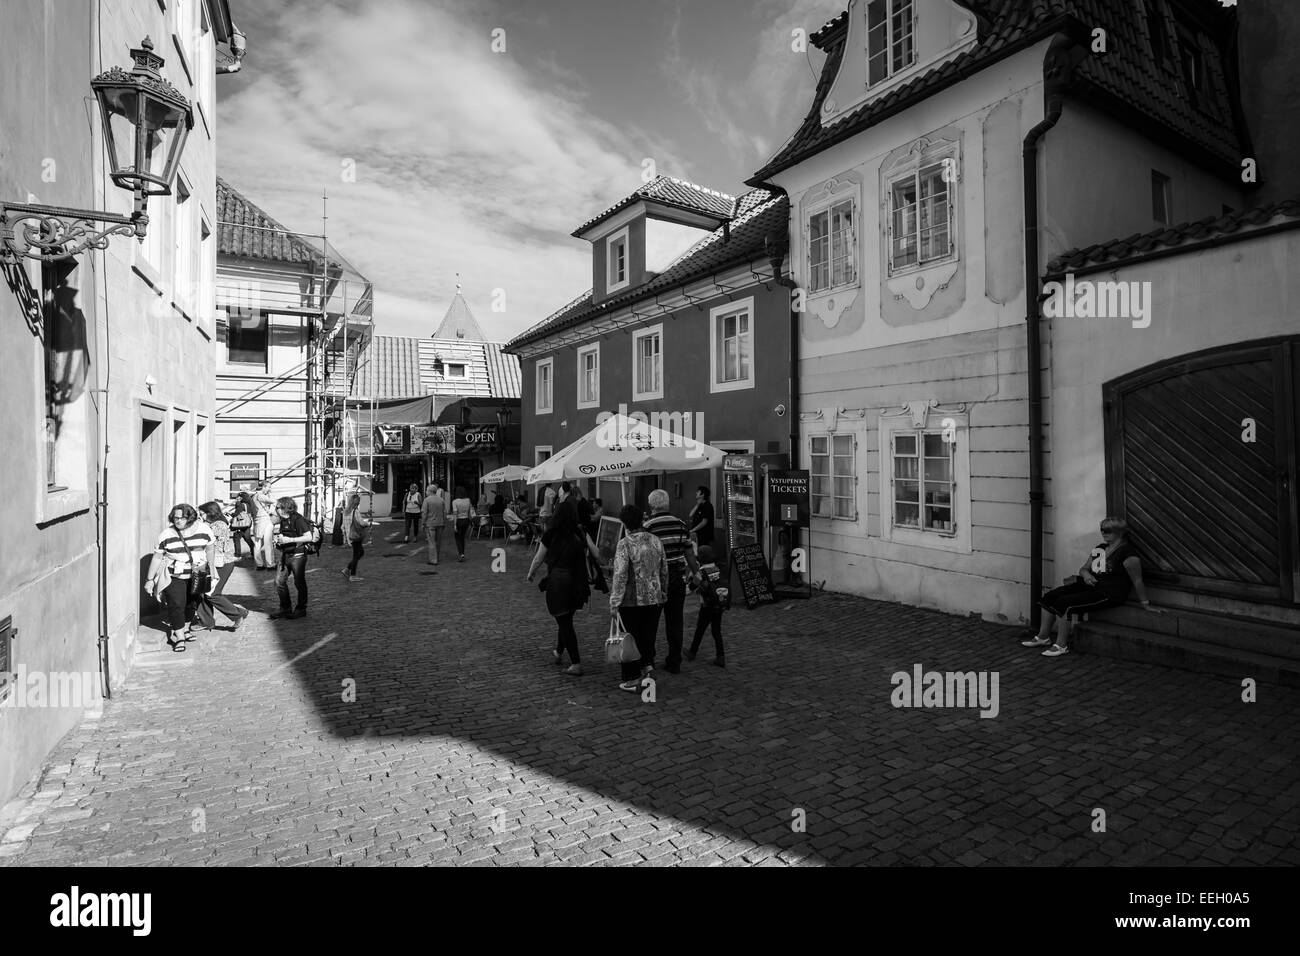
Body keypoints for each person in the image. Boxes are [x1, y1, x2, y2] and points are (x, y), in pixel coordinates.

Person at [1021, 516, 1150, 657]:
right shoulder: (1100, 549)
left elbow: (1137, 580)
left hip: (1109, 593)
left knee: (1065, 603)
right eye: (1102, 529)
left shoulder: (1127, 554)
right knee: (1050, 596)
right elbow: (1083, 569)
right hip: (1090, 585)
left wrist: (1146, 604)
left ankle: (1061, 645)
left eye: (1108, 530)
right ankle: (1043, 636)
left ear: (1120, 532)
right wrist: (1087, 575)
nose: (1104, 533)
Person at [527, 499, 600, 676]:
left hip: (559, 582)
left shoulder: (551, 533)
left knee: (565, 622)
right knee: (566, 618)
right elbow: (596, 553)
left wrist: (531, 573)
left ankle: (576, 663)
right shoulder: (580, 531)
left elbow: (539, 557)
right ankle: (559, 652)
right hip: (577, 583)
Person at [610, 505, 668, 692]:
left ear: (625, 523)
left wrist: (614, 602)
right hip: (654, 597)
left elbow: (620, 575)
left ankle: (632, 678)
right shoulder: (656, 541)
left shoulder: (625, 544)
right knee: (647, 635)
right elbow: (664, 569)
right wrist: (663, 591)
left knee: (629, 638)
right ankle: (648, 666)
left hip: (631, 600)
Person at [643, 488, 701, 674]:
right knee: (675, 621)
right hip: (677, 578)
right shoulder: (681, 524)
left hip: (656, 579)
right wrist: (696, 572)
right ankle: (674, 661)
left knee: (651, 622)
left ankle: (649, 660)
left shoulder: (648, 527)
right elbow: (689, 553)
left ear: (652, 505)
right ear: (667, 504)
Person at [145, 503, 214, 651]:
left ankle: (186, 629)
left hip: (197, 574)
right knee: (176, 605)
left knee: (192, 603)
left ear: (190, 518)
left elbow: (210, 548)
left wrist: (213, 569)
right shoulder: (166, 535)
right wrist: (150, 580)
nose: (178, 521)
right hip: (174, 575)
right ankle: (179, 637)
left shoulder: (204, 530)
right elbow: (157, 558)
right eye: (175, 518)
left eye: (182, 518)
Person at [197, 502, 251, 630]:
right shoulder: (214, 524)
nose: (200, 516)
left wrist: (200, 525)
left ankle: (236, 615)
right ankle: (207, 620)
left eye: (202, 514)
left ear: (210, 512)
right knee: (204, 592)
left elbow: (206, 540)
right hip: (215, 563)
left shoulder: (218, 525)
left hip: (222, 563)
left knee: (213, 594)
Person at [270, 497, 315, 620]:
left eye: (277, 507)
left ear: (285, 508)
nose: (275, 509)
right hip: (286, 554)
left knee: (299, 582)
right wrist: (279, 540)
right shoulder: (283, 520)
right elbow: (285, 535)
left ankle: (301, 608)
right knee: (279, 582)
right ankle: (285, 607)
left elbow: (308, 537)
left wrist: (289, 540)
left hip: (298, 555)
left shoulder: (298, 519)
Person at [685, 545, 726, 667]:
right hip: (719, 604)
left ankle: (692, 652)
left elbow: (690, 589)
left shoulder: (701, 573)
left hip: (707, 605)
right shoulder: (718, 569)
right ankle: (721, 656)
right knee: (716, 631)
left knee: (700, 629)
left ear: (700, 559)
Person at [342, 493, 372, 581]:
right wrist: (368, 524)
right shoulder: (355, 511)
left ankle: (347, 569)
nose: (358, 504)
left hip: (350, 536)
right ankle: (352, 575)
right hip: (356, 536)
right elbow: (361, 523)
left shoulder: (345, 511)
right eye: (358, 503)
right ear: (356, 503)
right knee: (356, 555)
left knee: (360, 552)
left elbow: (342, 526)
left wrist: (345, 537)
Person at [252, 481, 277, 570]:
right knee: (268, 542)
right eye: (268, 487)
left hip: (257, 520)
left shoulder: (254, 496)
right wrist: (271, 495)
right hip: (265, 520)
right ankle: (270, 564)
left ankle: (259, 564)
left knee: (258, 543)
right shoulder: (260, 495)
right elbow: (273, 501)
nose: (269, 489)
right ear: (264, 487)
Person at [422, 483, 448, 565]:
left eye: (426, 490)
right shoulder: (441, 500)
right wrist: (444, 522)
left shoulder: (426, 500)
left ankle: (433, 560)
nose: (426, 491)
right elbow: (445, 512)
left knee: (431, 542)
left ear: (430, 491)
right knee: (438, 542)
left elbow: (424, 513)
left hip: (430, 524)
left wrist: (423, 523)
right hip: (440, 523)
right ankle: (437, 557)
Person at [450, 486, 475, 561]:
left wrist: (454, 524)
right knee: (462, 537)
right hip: (466, 520)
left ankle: (461, 553)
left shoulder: (455, 502)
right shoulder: (468, 500)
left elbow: (455, 513)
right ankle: (462, 553)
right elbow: (470, 510)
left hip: (459, 520)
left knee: (457, 537)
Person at [230, 492, 256, 558]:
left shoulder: (241, 505)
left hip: (241, 524)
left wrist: (230, 513)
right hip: (247, 524)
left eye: (238, 497)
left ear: (241, 498)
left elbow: (236, 514)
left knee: (236, 537)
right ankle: (254, 552)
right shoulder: (248, 504)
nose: (237, 498)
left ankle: (237, 554)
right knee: (247, 538)